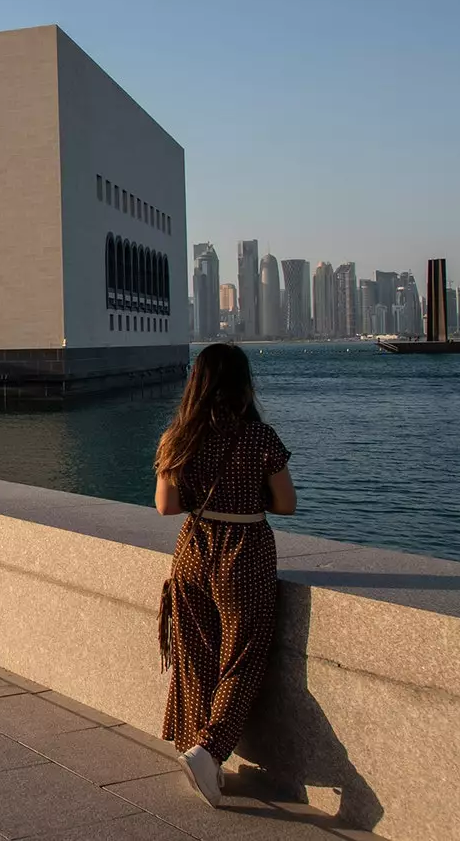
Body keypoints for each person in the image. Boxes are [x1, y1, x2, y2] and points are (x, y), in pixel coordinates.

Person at [153, 343, 296, 808]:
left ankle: (196, 749)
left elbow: (166, 506)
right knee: (243, 655)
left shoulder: (178, 437)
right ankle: (209, 751)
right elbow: (287, 504)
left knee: (195, 655)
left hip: (193, 549)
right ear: (243, 383)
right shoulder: (261, 438)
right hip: (245, 552)